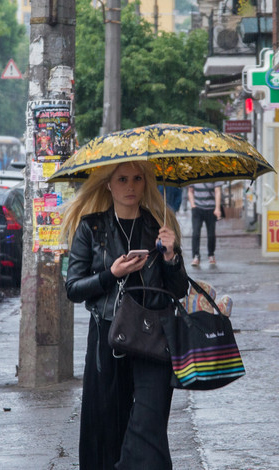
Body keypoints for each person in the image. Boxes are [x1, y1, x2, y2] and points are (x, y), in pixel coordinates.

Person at [61, 161, 189, 470]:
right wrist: (111, 274)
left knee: (149, 423)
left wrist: (171, 256)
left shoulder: (158, 226)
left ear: (145, 184)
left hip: (152, 338)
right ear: (108, 184)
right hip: (109, 337)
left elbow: (179, 288)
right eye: (121, 179)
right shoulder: (91, 228)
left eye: (136, 179)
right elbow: (74, 288)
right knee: (105, 425)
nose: (130, 186)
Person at [187, 181, 223, 266]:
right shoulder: (194, 174)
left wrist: (217, 208)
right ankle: (196, 256)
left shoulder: (214, 173)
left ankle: (211, 254)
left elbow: (217, 191)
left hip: (211, 209)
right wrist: (193, 206)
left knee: (211, 234)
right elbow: (190, 191)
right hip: (197, 209)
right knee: (195, 233)